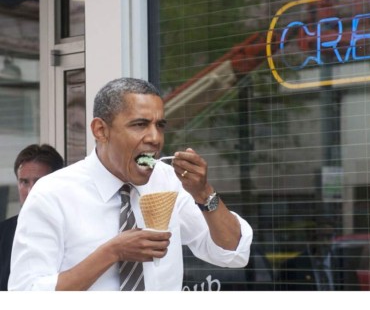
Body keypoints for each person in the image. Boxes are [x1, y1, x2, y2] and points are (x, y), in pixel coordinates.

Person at [8, 77, 253, 291]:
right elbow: (27, 293)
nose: (155, 138)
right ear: (101, 130)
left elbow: (233, 254)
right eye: (139, 125)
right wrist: (112, 252)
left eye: (160, 125)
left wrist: (203, 193)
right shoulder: (52, 193)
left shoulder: (167, 180)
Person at [0, 144, 64, 290]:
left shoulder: (74, 228)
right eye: (24, 182)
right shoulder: (3, 233)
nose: (30, 191)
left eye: (39, 182)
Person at [276, 219, 337, 290]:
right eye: (320, 237)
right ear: (310, 238)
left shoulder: (342, 265)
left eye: (329, 237)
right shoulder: (291, 268)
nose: (324, 242)